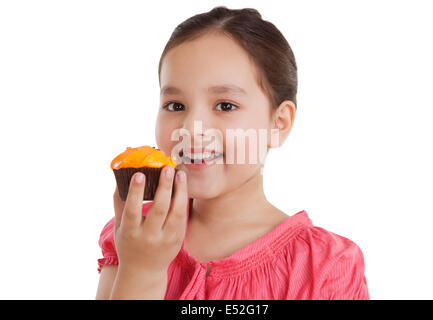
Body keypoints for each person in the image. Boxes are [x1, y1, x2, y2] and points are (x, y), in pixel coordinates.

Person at [95, 6, 369, 300]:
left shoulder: (326, 266)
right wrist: (140, 271)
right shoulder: (136, 235)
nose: (192, 128)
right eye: (175, 106)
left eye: (225, 105)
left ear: (279, 123)